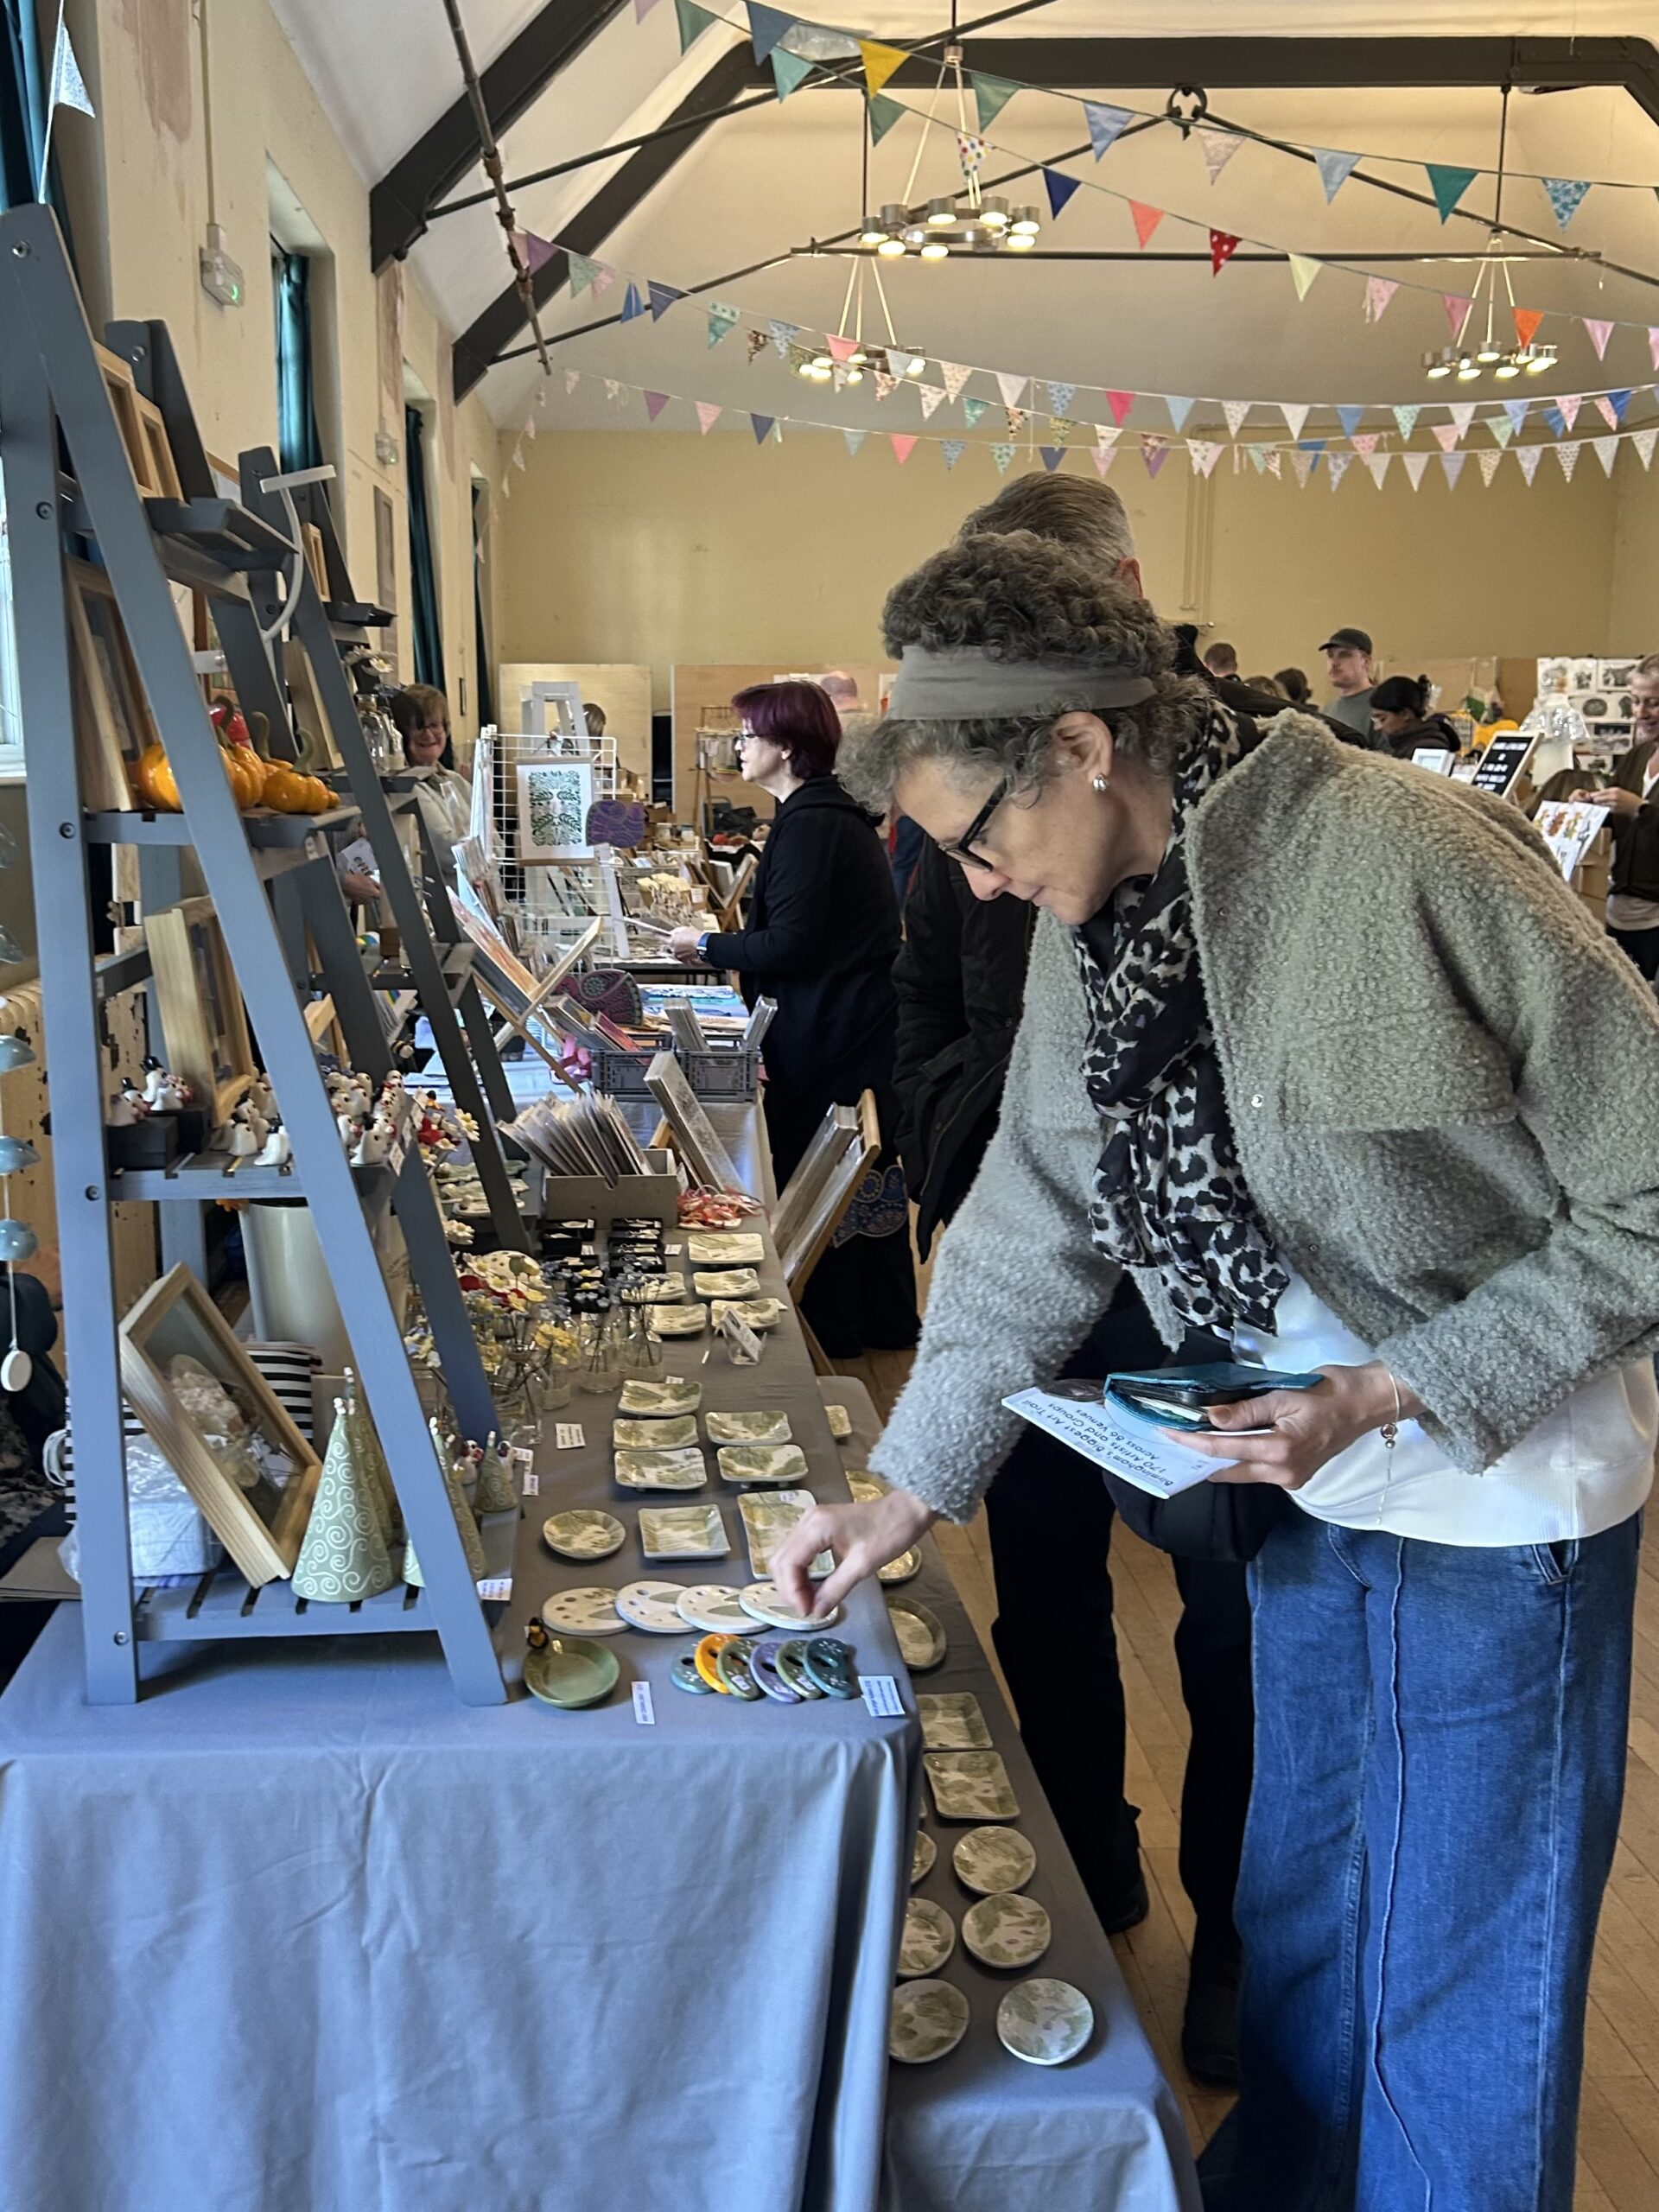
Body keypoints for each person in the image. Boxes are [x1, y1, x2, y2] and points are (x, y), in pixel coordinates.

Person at [772, 529, 1659, 2212]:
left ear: (1092, 747)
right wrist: (903, 1487)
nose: (970, 881)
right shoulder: (1093, 920)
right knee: (1310, 1944)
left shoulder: (1409, 852)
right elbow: (1034, 1219)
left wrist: (1395, 1383)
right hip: (1302, 1497)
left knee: (1459, 1998)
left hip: (1499, 1509)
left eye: (979, 833)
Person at [893, 469, 1254, 2084]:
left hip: (1213, 1302)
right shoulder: (970, 803)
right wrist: (978, 1153)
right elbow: (937, 1023)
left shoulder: (1241, 808)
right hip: (1030, 1271)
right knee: (1041, 1586)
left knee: (1232, 1612)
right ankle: (1082, 1860)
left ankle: (1237, 1938)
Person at [666, 682, 918, 1357]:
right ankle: (874, 1325)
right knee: (862, 1189)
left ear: (785, 745)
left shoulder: (813, 823)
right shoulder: (820, 816)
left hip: (835, 1035)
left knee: (842, 1185)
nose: (739, 748)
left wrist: (705, 946)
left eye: (748, 736)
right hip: (842, 1026)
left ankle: (848, 1330)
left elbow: (794, 945)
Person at [1583, 653, 1659, 979]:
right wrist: (1591, 805)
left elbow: (1637, 813)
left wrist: (1641, 810)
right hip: (1621, 909)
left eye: (1653, 703)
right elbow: (1620, 817)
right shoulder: (1638, 755)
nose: (1641, 713)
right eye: (1635, 702)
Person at [389, 685, 472, 877]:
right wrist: (480, 844)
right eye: (418, 726)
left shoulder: (456, 781)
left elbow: (498, 848)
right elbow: (451, 855)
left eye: (434, 725)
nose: (428, 734)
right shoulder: (405, 789)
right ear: (401, 734)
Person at [1368, 672, 1462, 760]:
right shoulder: (1406, 746)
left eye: (1382, 719)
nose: (1377, 728)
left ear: (1405, 714)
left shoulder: (1428, 748)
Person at [1320, 625, 1376, 740]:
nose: (1334, 663)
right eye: (1330, 655)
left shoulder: (1381, 707)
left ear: (1365, 662)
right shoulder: (1327, 710)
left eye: (1344, 655)